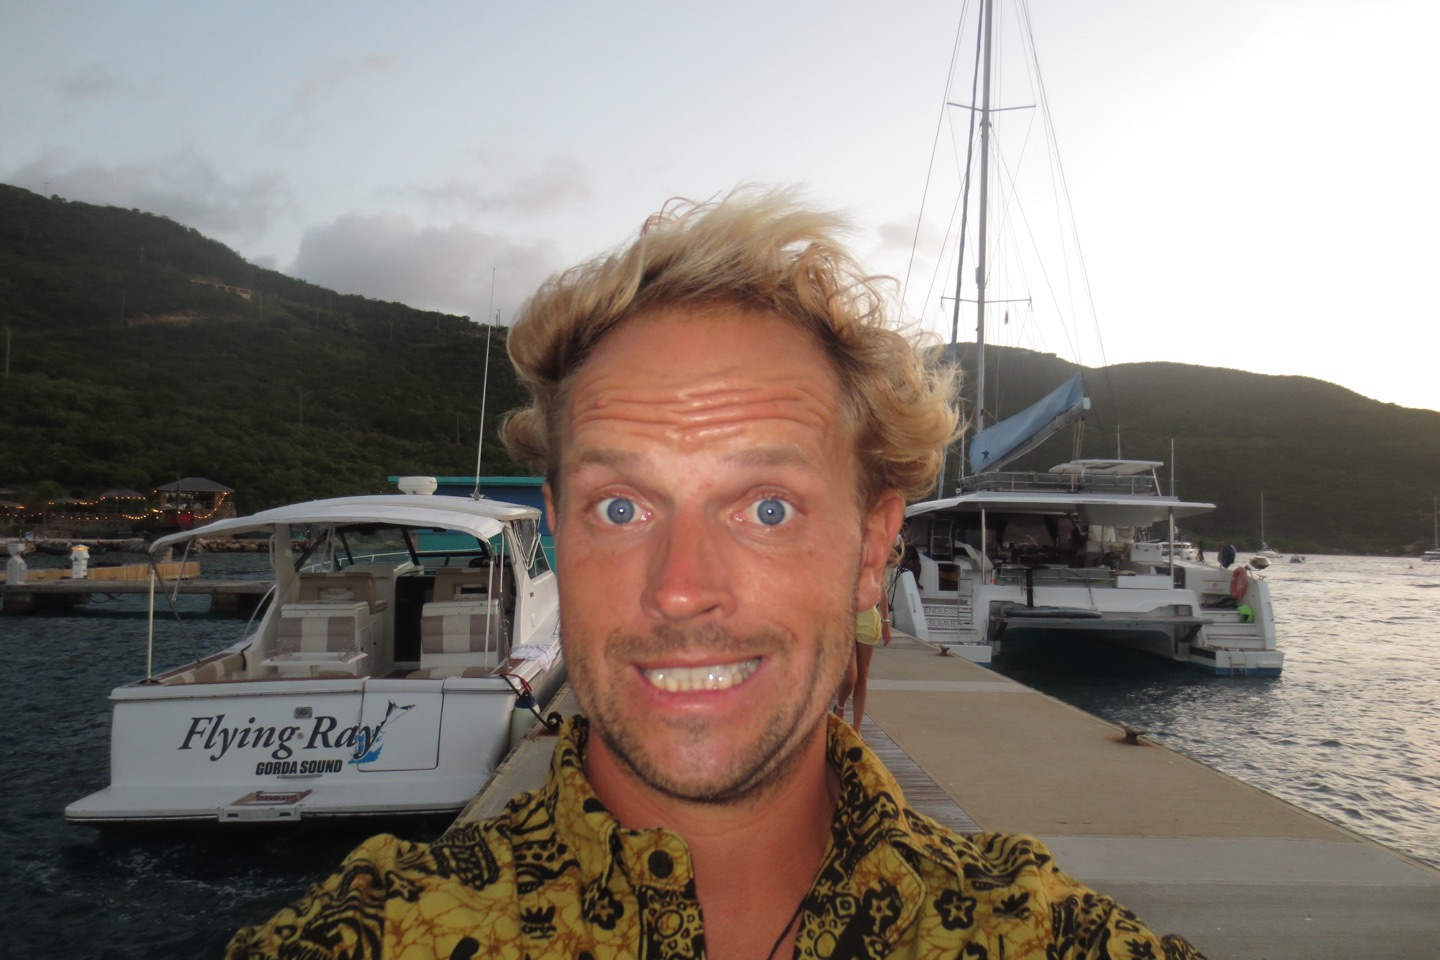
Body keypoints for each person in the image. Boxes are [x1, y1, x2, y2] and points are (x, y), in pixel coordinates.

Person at [224, 189, 1203, 959]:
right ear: (558, 531)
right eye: (621, 508)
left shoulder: (1035, 937)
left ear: (871, 550)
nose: (682, 587)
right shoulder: (385, 936)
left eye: (767, 508)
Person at [834, 568, 892, 736]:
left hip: (868, 617)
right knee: (850, 676)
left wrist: (886, 622)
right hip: (847, 617)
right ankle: (840, 705)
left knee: (862, 675)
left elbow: (881, 588)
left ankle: (857, 728)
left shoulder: (875, 559)